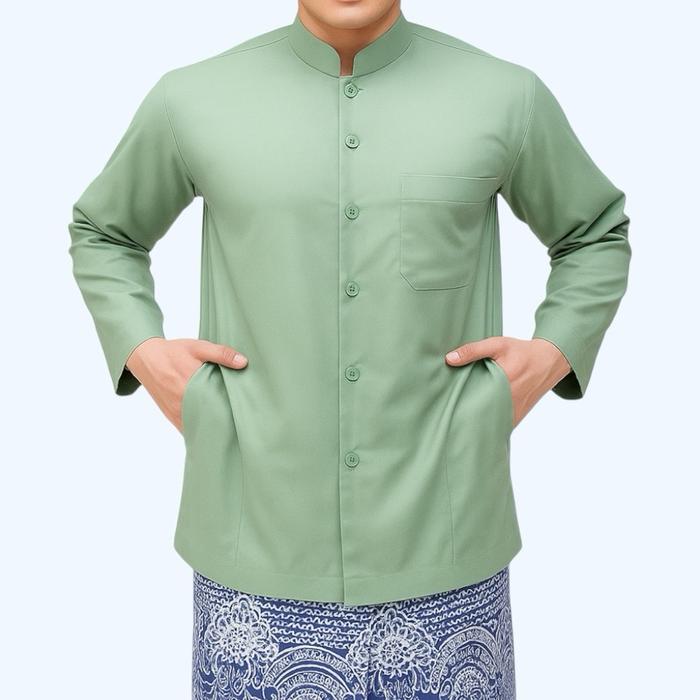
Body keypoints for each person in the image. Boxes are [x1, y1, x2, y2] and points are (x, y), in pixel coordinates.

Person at [67, 1, 632, 697]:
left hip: (449, 543)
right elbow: (104, 231)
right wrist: (144, 351)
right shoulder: (192, 99)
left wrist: (551, 354)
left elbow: (594, 233)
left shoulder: (504, 96)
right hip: (252, 545)